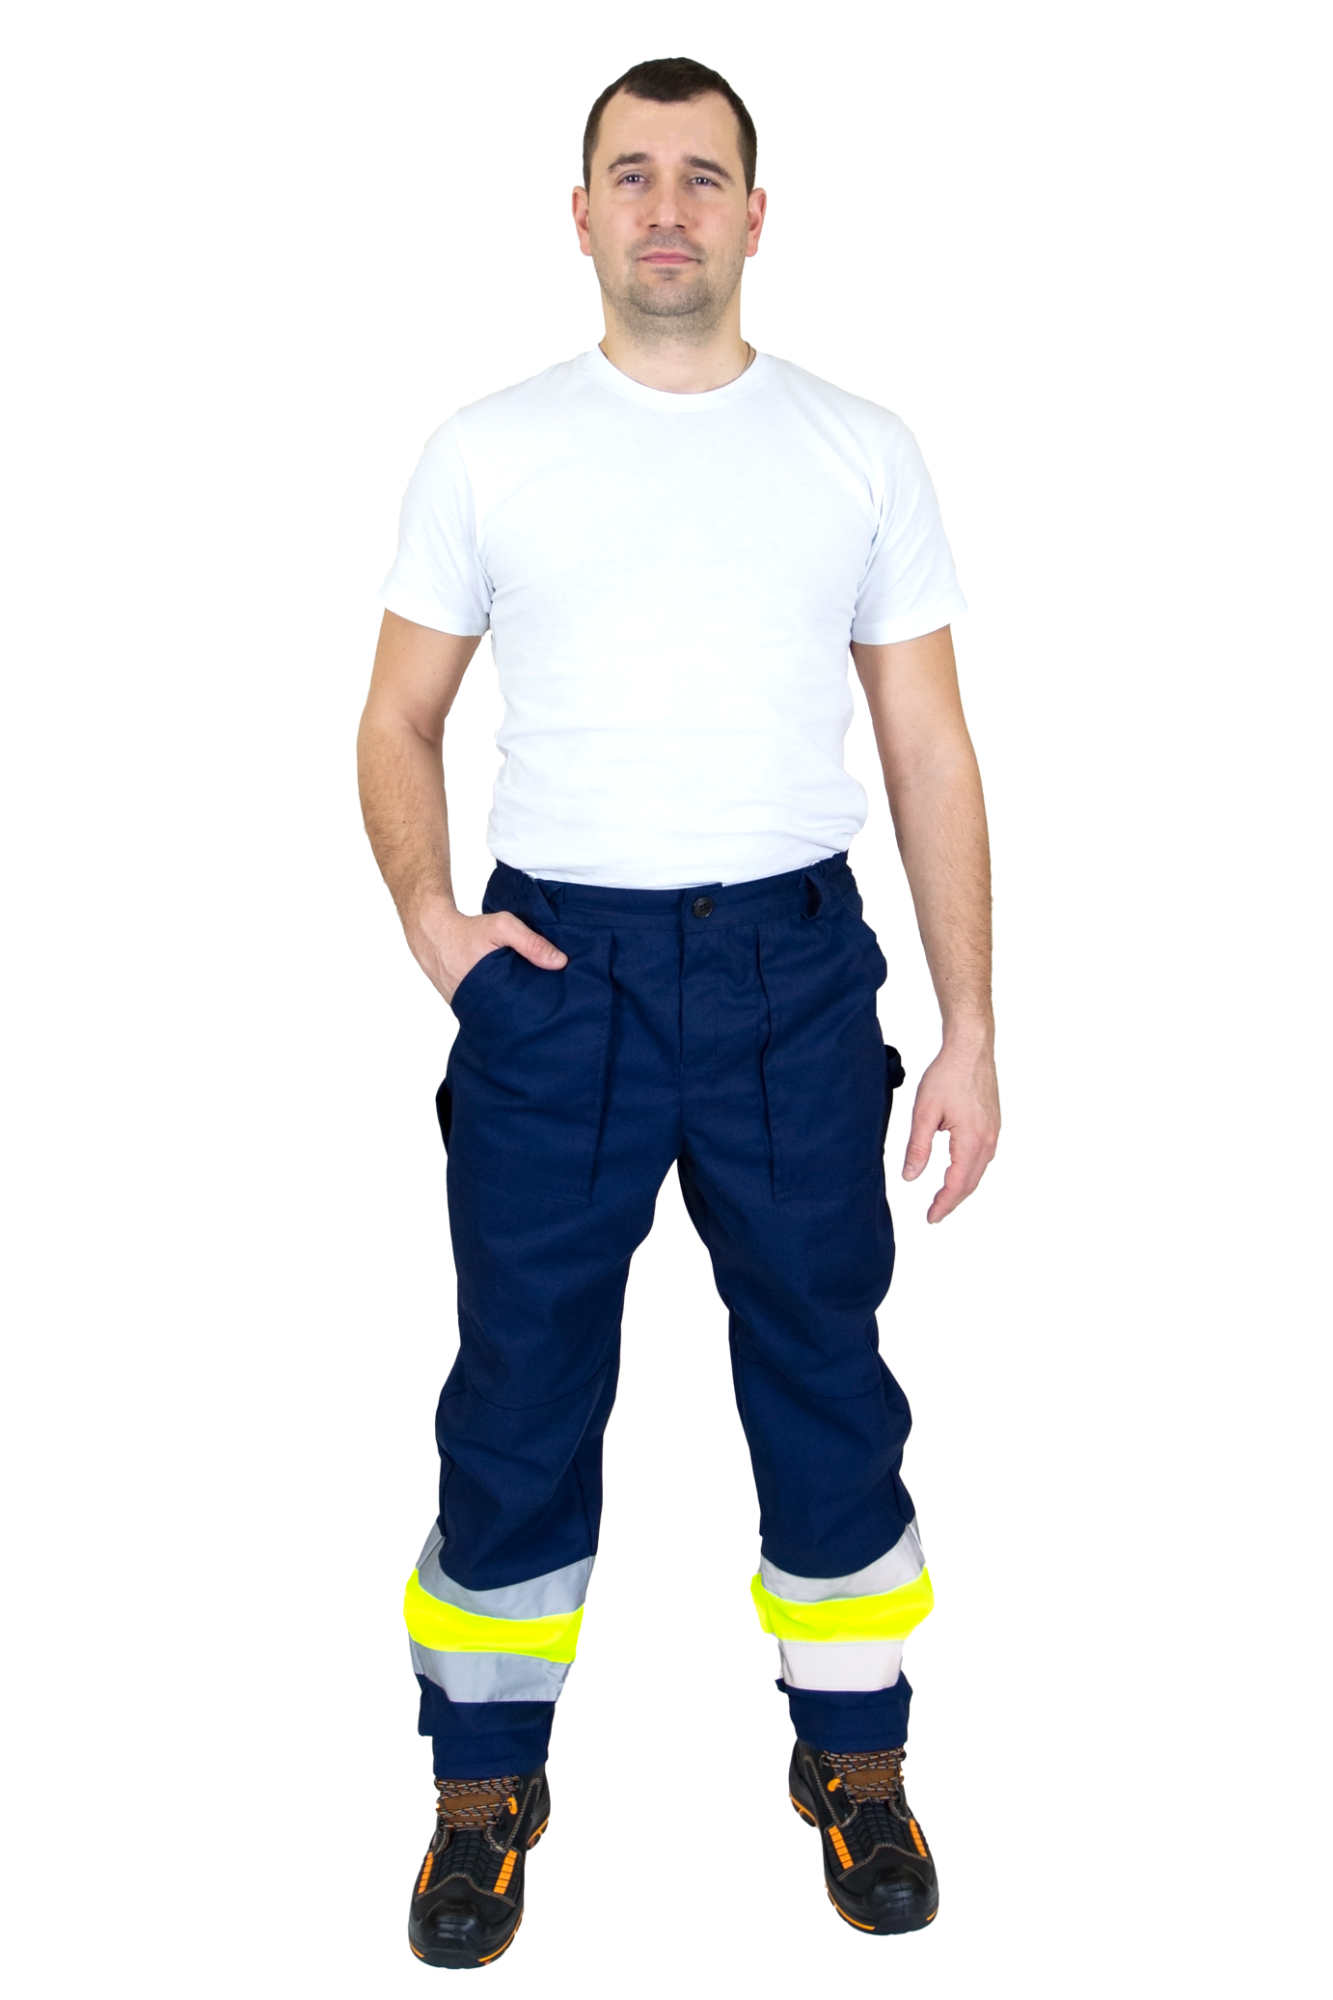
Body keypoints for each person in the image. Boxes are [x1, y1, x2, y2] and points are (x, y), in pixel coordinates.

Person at [358, 55, 999, 1970]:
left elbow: (930, 748)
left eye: (701, 176)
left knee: (825, 1374)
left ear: (754, 216)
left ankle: (857, 1756)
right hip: (559, 985)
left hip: (794, 978)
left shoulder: (858, 447)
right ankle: (484, 1782)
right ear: (579, 216)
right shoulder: (489, 448)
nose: (665, 207)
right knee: (521, 1389)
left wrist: (970, 1024)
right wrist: (436, 925)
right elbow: (396, 718)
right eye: (630, 175)